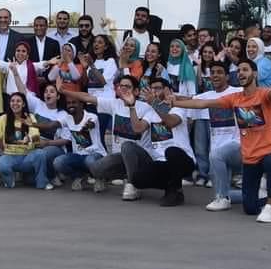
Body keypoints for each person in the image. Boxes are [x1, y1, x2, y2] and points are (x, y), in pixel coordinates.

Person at [168, 60, 271, 223]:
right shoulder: (235, 98)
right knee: (250, 208)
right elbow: (203, 103)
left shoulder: (263, 94)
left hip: (268, 152)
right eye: (239, 70)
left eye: (245, 70)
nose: (241, 73)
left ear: (255, 74)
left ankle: (269, 207)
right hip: (249, 158)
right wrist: (175, 102)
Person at [76, 75, 193, 205]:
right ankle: (170, 188)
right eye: (152, 89)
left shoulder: (178, 108)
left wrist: (155, 103)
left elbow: (171, 122)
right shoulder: (151, 112)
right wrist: (132, 107)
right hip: (160, 161)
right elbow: (138, 128)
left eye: (158, 88)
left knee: (171, 152)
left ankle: (174, 191)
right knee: (138, 178)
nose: (154, 92)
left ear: (169, 91)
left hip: (182, 159)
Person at [193, 61, 245, 210]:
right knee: (221, 192)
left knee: (216, 155)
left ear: (227, 76)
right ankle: (263, 195)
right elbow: (188, 99)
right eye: (213, 73)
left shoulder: (238, 91)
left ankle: (222, 199)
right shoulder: (207, 96)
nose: (215, 75)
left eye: (219, 72)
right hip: (217, 155)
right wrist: (171, 99)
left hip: (238, 147)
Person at [0, 92, 48, 189]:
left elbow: (36, 137)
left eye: (18, 101)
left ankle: (42, 183)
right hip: (10, 157)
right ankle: (10, 181)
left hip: (27, 157)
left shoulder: (30, 117)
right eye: (12, 101)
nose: (15, 103)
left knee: (40, 153)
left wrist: (29, 139)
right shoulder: (4, 118)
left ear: (23, 104)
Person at [52, 96, 107, 191]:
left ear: (81, 104)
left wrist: (87, 126)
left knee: (89, 160)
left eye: (74, 102)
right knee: (58, 162)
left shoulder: (92, 116)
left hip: (95, 154)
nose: (71, 105)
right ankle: (79, 177)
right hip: (78, 156)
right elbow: (51, 125)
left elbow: (92, 123)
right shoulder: (68, 118)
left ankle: (99, 178)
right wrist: (33, 124)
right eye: (69, 103)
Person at [83, 34, 119, 133]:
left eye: (100, 42)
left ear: (106, 47)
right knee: (92, 134)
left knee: (100, 132)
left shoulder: (110, 61)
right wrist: (84, 67)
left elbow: (103, 82)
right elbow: (87, 83)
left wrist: (91, 65)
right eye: (95, 42)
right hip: (91, 102)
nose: (96, 44)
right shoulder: (92, 61)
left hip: (104, 102)